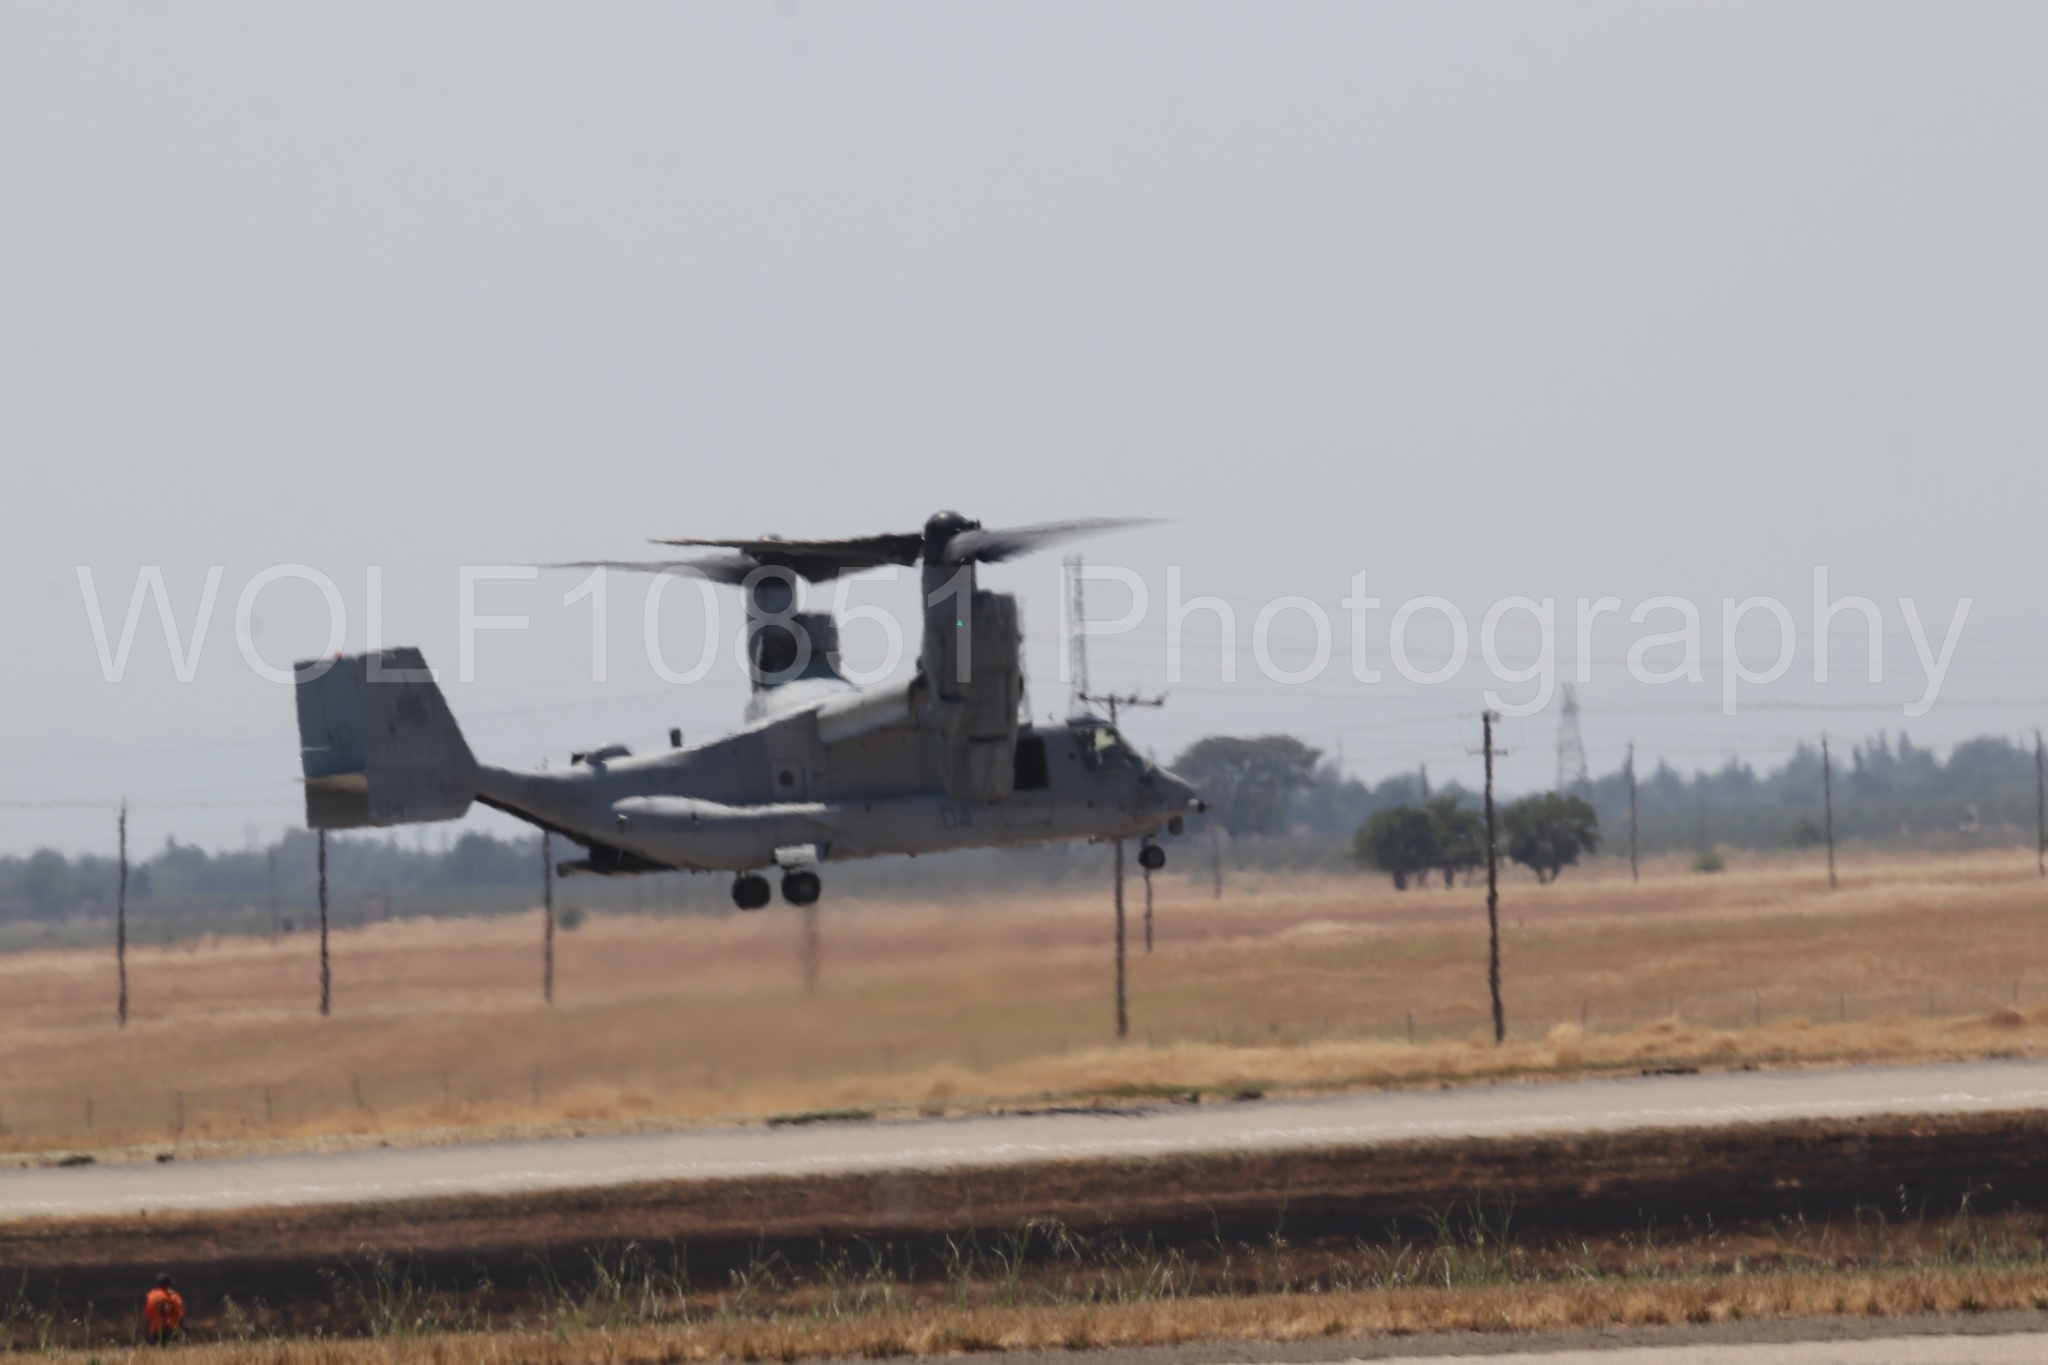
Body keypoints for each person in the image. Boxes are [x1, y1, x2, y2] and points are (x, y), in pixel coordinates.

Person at [143, 1274, 184, 1345]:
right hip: (171, 1331)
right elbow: (180, 1317)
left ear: (157, 1285)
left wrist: (146, 1333)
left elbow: (148, 1317)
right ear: (169, 1285)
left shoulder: (151, 1297)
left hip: (156, 1332)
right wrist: (184, 1330)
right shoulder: (175, 1297)